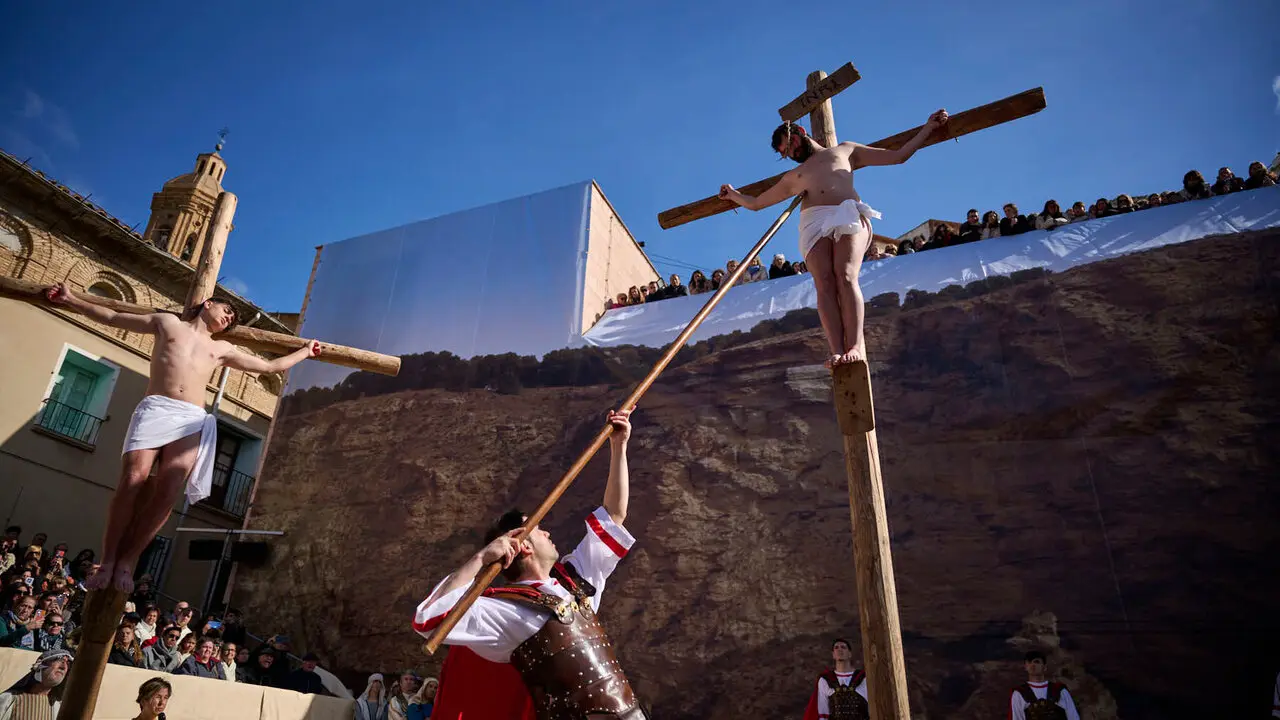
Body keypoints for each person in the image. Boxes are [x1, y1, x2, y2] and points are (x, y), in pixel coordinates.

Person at [45, 282, 322, 592]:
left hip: (190, 419)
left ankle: (128, 561)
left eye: (233, 319)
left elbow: (270, 366)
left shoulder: (222, 349)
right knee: (133, 479)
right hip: (155, 408)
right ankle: (108, 559)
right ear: (207, 304)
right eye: (227, 310)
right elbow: (111, 317)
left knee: (169, 489)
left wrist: (304, 352)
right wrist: (71, 299)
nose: (229, 317)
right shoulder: (167, 323)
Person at [415, 409, 641, 719]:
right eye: (538, 528)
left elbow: (614, 515)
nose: (547, 531)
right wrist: (482, 558)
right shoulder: (506, 612)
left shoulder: (576, 583)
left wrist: (619, 447)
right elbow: (429, 619)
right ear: (521, 546)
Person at [719, 109, 949, 367]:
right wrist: (734, 194)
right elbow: (757, 203)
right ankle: (837, 350)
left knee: (846, 274)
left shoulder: (845, 151)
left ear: (800, 132)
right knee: (824, 282)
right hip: (813, 222)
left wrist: (928, 128)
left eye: (791, 142)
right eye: (787, 152)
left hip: (847, 213)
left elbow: (898, 156)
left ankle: (854, 345)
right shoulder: (793, 177)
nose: (793, 151)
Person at [802, 638, 869, 720]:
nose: (839, 649)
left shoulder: (863, 678)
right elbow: (823, 711)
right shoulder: (825, 680)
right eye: (836, 647)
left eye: (843, 647)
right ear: (833, 654)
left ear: (849, 654)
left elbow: (871, 707)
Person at [0, 648, 71, 720]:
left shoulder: (58, 706)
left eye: (68, 662)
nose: (64, 665)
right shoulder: (9, 699)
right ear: (39, 666)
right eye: (59, 659)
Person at [1009, 650, 1080, 720]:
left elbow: (1073, 717)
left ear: (1044, 667)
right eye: (1029, 662)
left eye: (1036, 662)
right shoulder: (1019, 693)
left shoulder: (1060, 691)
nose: (1032, 665)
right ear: (1025, 667)